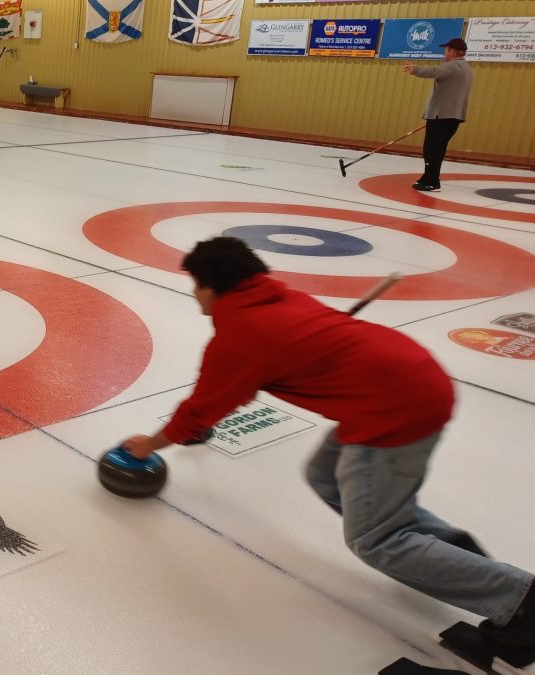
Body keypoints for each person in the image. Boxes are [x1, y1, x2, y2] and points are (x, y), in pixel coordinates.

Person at [121, 236, 535, 655]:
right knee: (324, 474)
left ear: (209, 286)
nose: (194, 293)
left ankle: (521, 601)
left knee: (376, 540)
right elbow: (258, 374)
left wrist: (148, 446)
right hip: (405, 385)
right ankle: (453, 558)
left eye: (194, 284)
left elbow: (199, 410)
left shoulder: (241, 332)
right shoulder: (277, 301)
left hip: (395, 411)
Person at [404, 38, 474, 193]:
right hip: (453, 116)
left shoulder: (452, 67)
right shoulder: (467, 69)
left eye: (446, 50)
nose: (444, 54)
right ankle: (429, 178)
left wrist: (414, 69)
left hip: (441, 115)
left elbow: (434, 71)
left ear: (452, 51)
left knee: (431, 149)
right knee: (438, 149)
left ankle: (431, 181)